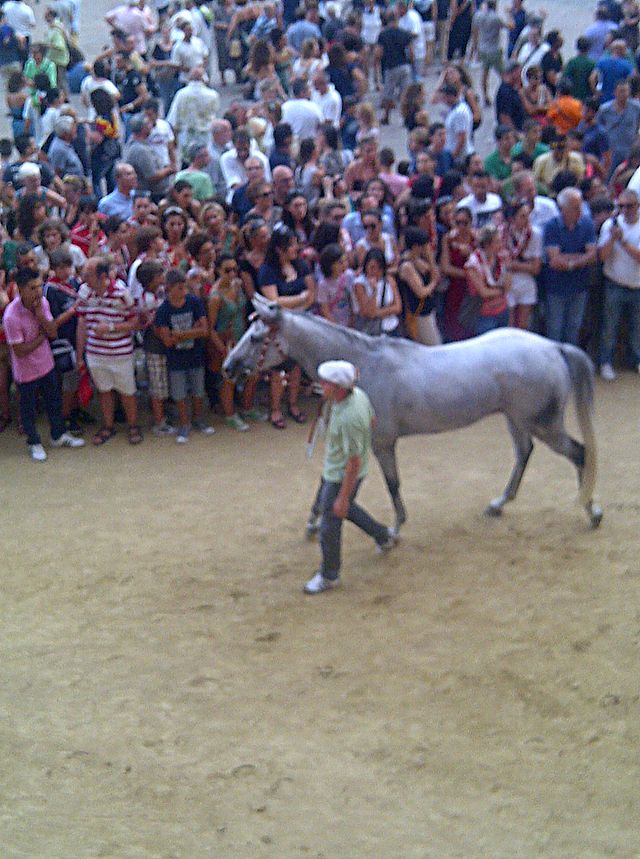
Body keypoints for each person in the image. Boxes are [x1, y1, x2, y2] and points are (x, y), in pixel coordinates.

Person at [303, 359, 396, 595]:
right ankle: (383, 535)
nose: (320, 385)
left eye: (325, 383)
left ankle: (329, 574)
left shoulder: (349, 417)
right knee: (344, 509)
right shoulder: (358, 397)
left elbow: (352, 463)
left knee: (330, 523)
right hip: (341, 469)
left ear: (339, 388)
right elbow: (373, 422)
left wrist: (342, 497)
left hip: (341, 474)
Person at [3, 266, 85, 460]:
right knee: (28, 410)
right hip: (26, 372)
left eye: (39, 287)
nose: (37, 292)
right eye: (32, 288)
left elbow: (53, 333)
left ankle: (58, 435)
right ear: (20, 289)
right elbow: (20, 350)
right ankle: (34, 442)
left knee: (54, 403)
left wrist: (40, 316)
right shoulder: (11, 316)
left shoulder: (43, 304)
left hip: (46, 365)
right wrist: (42, 338)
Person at [76, 256, 143, 445]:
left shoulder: (122, 293)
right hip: (95, 353)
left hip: (120, 353)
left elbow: (135, 322)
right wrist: (80, 355)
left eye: (88, 274)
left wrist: (111, 327)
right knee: (104, 390)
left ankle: (133, 425)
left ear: (103, 276)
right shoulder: (84, 292)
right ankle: (108, 426)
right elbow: (81, 323)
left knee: (127, 392)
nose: (84, 278)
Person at [257, 224, 315, 428]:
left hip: (300, 323)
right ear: (279, 249)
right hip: (280, 325)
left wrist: (298, 301)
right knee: (278, 370)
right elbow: (274, 301)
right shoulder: (267, 270)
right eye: (291, 245)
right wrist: (300, 299)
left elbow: (311, 293)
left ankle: (293, 404)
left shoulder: (301, 265)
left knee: (296, 367)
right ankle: (275, 409)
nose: (295, 249)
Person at [154, 267, 214, 444]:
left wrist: (180, 334)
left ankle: (198, 419)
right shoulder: (164, 310)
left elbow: (204, 330)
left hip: (195, 356)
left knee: (198, 390)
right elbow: (167, 341)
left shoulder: (194, 302)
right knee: (179, 394)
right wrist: (192, 331)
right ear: (169, 288)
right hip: (176, 359)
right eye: (180, 287)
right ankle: (184, 423)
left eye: (185, 287)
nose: (184, 291)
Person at [542, 187, 597, 345]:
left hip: (579, 286)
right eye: (575, 207)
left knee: (574, 328)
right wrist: (581, 257)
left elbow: (593, 256)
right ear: (563, 209)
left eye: (580, 206)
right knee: (555, 329)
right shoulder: (551, 226)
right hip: (556, 288)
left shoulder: (587, 223)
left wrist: (568, 262)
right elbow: (554, 260)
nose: (580, 210)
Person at [597, 188, 640, 379]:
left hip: (637, 285)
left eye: (629, 206)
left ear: (637, 206)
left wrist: (622, 242)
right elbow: (602, 256)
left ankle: (636, 360)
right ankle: (606, 361)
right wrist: (612, 239)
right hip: (614, 283)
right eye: (621, 206)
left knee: (637, 328)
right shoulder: (610, 225)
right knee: (609, 327)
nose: (624, 210)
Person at [502, 199, 542, 329]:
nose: (527, 219)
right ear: (512, 218)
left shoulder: (534, 234)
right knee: (510, 324)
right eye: (523, 216)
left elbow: (536, 268)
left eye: (528, 215)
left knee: (523, 325)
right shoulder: (502, 233)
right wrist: (525, 266)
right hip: (507, 282)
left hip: (526, 282)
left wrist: (513, 265)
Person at [464, 223, 511, 335]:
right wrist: (501, 291)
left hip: (502, 310)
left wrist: (508, 267)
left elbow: (508, 286)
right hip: (484, 315)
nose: (501, 244)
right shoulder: (473, 264)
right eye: (497, 241)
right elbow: (484, 292)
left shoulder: (501, 258)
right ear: (487, 244)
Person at [396, 226, 441, 344]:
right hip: (419, 314)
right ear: (416, 246)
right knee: (434, 345)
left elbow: (432, 271)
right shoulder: (407, 266)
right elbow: (421, 292)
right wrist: (433, 283)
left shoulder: (416, 260)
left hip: (428, 311)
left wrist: (430, 259)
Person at [376, 8, 414, 126]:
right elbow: (411, 52)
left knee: (388, 93)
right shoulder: (405, 33)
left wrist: (377, 65)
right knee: (405, 94)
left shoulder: (383, 35)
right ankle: (405, 117)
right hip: (404, 65)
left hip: (390, 66)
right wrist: (411, 64)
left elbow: (378, 53)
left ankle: (386, 116)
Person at [472, 0, 507, 105]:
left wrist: (475, 48)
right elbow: (509, 26)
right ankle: (506, 93)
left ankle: (485, 96)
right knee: (503, 74)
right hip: (494, 49)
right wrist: (509, 14)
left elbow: (474, 31)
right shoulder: (496, 18)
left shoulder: (478, 15)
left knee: (484, 73)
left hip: (483, 48)